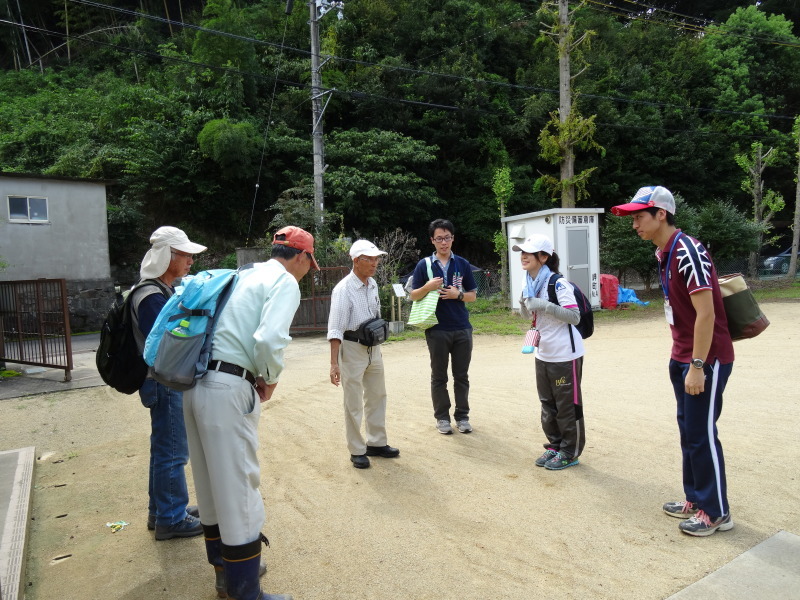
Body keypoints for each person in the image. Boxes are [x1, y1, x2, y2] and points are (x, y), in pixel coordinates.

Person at [183, 226, 317, 600]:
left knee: (210, 486)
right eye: (310, 262)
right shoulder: (285, 281)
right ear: (301, 256)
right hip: (228, 389)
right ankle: (246, 592)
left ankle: (225, 576)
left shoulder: (243, 275)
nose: (308, 270)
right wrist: (270, 377)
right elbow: (269, 339)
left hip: (194, 384)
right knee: (240, 489)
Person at [612, 186, 735, 537]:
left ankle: (716, 512)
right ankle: (695, 499)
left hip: (705, 358)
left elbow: (707, 313)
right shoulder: (663, 253)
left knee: (702, 433)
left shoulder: (687, 251)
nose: (634, 224)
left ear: (660, 214)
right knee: (689, 431)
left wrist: (697, 365)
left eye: (639, 216)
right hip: (683, 355)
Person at [131, 226, 207, 540]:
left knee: (164, 448)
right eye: (185, 254)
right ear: (168, 256)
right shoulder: (151, 295)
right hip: (163, 381)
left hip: (159, 381)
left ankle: (162, 509)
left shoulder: (154, 289)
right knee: (173, 451)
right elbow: (163, 347)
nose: (191, 260)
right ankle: (171, 518)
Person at [513, 234, 586, 470]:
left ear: (543, 257)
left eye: (529, 252)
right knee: (547, 404)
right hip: (542, 353)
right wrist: (525, 303)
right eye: (522, 252)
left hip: (565, 354)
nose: (523, 256)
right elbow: (527, 316)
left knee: (567, 405)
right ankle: (555, 446)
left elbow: (574, 316)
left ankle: (570, 451)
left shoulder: (558, 283)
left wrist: (544, 305)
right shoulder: (528, 282)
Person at [328, 239, 400, 469]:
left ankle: (377, 442)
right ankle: (357, 449)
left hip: (373, 348)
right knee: (353, 401)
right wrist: (334, 363)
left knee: (378, 395)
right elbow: (336, 329)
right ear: (356, 261)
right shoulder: (343, 290)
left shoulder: (373, 284)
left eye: (376, 258)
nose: (375, 263)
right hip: (352, 348)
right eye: (370, 259)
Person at [410, 218, 478, 435]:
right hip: (437, 329)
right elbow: (412, 295)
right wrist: (428, 286)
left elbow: (473, 296)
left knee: (462, 375)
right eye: (439, 238)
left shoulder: (462, 264)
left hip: (461, 327)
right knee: (439, 376)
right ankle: (442, 418)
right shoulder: (424, 265)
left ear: (453, 238)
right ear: (432, 241)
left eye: (447, 238)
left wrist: (457, 295)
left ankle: (463, 416)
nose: (444, 242)